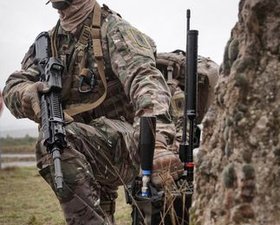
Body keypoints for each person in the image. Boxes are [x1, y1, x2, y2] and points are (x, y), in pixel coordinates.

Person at [3, 0, 185, 224]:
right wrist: (26, 92)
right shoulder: (47, 44)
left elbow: (145, 80)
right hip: (88, 146)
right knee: (57, 141)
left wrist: (157, 142)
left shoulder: (114, 30)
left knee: (56, 140)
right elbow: (14, 84)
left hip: (133, 142)